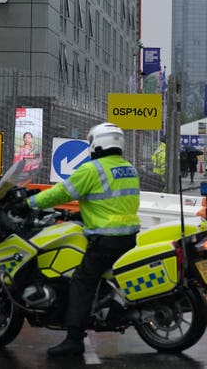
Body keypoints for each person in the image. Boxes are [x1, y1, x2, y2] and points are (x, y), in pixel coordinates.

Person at [25, 123, 141, 357]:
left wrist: (28, 203)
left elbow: (61, 192)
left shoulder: (93, 169)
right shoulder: (129, 168)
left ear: (97, 143)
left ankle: (74, 339)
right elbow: (112, 203)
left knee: (81, 281)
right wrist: (81, 215)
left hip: (105, 239)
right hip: (127, 237)